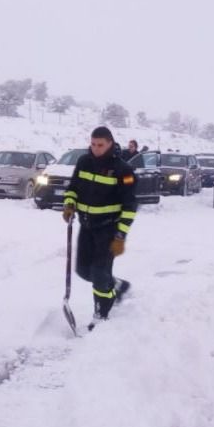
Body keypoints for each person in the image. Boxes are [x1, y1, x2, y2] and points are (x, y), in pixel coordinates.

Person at [62, 126, 137, 329]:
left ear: (110, 143)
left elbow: (130, 206)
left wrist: (120, 235)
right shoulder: (84, 162)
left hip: (108, 228)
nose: (95, 148)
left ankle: (101, 314)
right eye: (93, 144)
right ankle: (117, 286)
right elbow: (73, 188)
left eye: (100, 145)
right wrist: (69, 204)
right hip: (86, 225)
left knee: (98, 273)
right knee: (83, 271)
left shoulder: (123, 170)